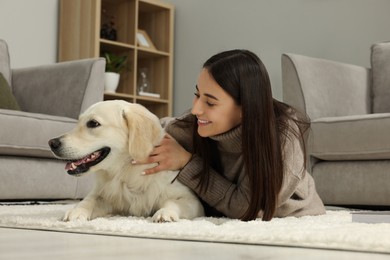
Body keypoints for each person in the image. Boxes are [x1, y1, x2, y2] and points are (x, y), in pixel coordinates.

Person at [134, 49, 326, 221]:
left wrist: (187, 162)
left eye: (210, 103)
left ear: (245, 109)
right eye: (197, 94)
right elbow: (161, 128)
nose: (196, 109)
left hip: (288, 218)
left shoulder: (283, 139)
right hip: (222, 215)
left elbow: (247, 208)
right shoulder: (196, 124)